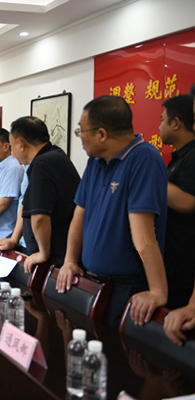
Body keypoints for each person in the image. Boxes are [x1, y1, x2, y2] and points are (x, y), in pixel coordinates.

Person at [56, 95, 168, 329]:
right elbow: (79, 215)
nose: (79, 136)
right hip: (91, 281)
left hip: (125, 287)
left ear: (101, 134)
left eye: (81, 130)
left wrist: (157, 290)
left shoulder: (143, 158)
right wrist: (70, 261)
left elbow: (143, 232)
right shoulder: (95, 161)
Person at [0, 116, 80, 272]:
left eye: (12, 146)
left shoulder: (42, 164)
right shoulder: (52, 156)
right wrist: (14, 239)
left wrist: (43, 253)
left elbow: (39, 217)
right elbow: (27, 204)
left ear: (21, 144)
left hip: (55, 257)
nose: (12, 152)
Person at [163, 92, 195, 346]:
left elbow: (188, 202)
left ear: (175, 123)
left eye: (162, 120)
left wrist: (149, 177)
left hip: (185, 264)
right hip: (174, 262)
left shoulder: (192, 157)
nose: (159, 127)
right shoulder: (179, 158)